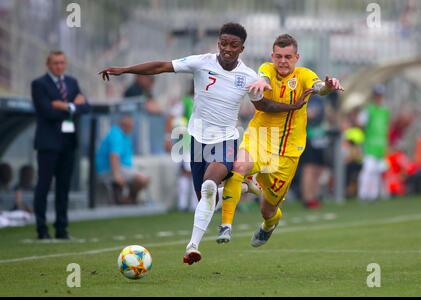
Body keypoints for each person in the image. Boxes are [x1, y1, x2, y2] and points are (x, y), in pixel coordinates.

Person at [99, 23, 312, 265]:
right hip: (197, 139)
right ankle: (243, 187)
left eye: (233, 45)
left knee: (210, 186)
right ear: (218, 43)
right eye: (223, 43)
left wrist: (293, 106)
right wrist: (124, 70)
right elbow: (162, 66)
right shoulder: (202, 62)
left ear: (242, 48)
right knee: (204, 197)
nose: (227, 49)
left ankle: (193, 246)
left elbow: (264, 106)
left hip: (226, 139)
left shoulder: (248, 76)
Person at [217, 34, 344, 247]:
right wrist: (260, 81)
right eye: (279, 56)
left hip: (288, 153)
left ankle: (270, 224)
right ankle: (226, 226)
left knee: (268, 210)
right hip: (261, 138)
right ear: (272, 56)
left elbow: (319, 87)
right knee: (238, 165)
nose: (282, 61)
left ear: (296, 57)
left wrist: (328, 87)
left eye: (288, 56)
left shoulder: (304, 75)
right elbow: (263, 77)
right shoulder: (267, 69)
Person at [31, 50, 91, 240]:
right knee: (44, 185)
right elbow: (47, 111)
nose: (59, 66)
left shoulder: (71, 83)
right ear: (48, 65)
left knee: (63, 187)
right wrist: (73, 106)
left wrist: (65, 106)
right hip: (48, 143)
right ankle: (42, 229)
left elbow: (86, 107)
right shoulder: (39, 84)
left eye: (62, 63)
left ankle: (61, 228)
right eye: (55, 63)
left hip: (68, 142)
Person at [95, 114, 150, 205]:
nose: (132, 128)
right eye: (131, 125)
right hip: (108, 170)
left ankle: (129, 199)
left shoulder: (125, 136)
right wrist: (116, 175)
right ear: (125, 125)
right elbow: (114, 156)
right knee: (141, 179)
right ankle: (127, 200)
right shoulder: (116, 135)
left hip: (123, 168)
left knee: (146, 178)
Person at [165, 82, 197, 212]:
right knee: (187, 173)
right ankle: (184, 204)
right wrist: (167, 138)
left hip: (203, 142)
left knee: (196, 174)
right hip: (187, 142)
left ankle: (193, 205)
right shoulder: (185, 102)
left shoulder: (206, 101)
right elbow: (171, 118)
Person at [357, 85, 390, 201]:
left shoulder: (384, 111)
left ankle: (373, 194)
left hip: (380, 146)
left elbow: (386, 129)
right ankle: (363, 193)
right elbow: (360, 124)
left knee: (377, 171)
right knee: (368, 170)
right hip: (370, 145)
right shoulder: (368, 110)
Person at [299, 94, 328, 209]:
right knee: (309, 168)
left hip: (319, 137)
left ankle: (314, 196)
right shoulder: (303, 97)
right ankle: (308, 198)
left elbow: (321, 116)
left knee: (319, 168)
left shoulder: (320, 99)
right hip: (307, 136)